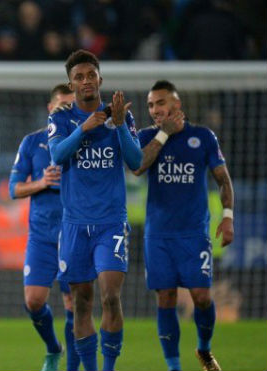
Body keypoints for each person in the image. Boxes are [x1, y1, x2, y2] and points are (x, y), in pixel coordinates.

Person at [47, 49, 143, 371]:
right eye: (79, 77)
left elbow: (136, 162)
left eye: (91, 75)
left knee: (110, 297)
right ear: (71, 84)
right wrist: (83, 128)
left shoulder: (121, 115)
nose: (86, 81)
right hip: (74, 225)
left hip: (110, 223)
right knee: (81, 303)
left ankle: (109, 367)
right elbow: (58, 156)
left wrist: (117, 126)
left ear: (100, 78)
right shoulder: (59, 118)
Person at [133, 80, 234, 371]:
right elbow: (138, 167)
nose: (154, 110)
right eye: (151, 105)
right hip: (159, 235)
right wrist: (164, 135)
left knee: (202, 297)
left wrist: (228, 216)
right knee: (165, 297)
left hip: (194, 233)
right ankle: (174, 366)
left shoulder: (203, 137)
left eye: (160, 103)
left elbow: (223, 179)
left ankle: (203, 350)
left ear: (177, 105)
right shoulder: (148, 136)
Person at [9, 83, 79, 371]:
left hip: (74, 232)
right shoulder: (32, 142)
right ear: (50, 109)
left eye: (71, 107)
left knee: (74, 303)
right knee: (34, 301)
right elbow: (14, 189)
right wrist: (42, 182)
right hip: (41, 236)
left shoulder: (84, 141)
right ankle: (53, 348)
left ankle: (73, 367)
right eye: (61, 106)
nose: (66, 111)